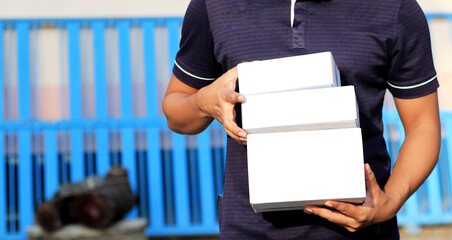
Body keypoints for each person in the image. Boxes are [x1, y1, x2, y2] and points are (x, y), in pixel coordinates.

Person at [162, 0, 441, 239]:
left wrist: (388, 203)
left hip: (362, 233)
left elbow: (423, 126)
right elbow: (176, 112)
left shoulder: (395, 8)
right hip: (248, 230)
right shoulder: (214, 5)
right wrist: (204, 102)